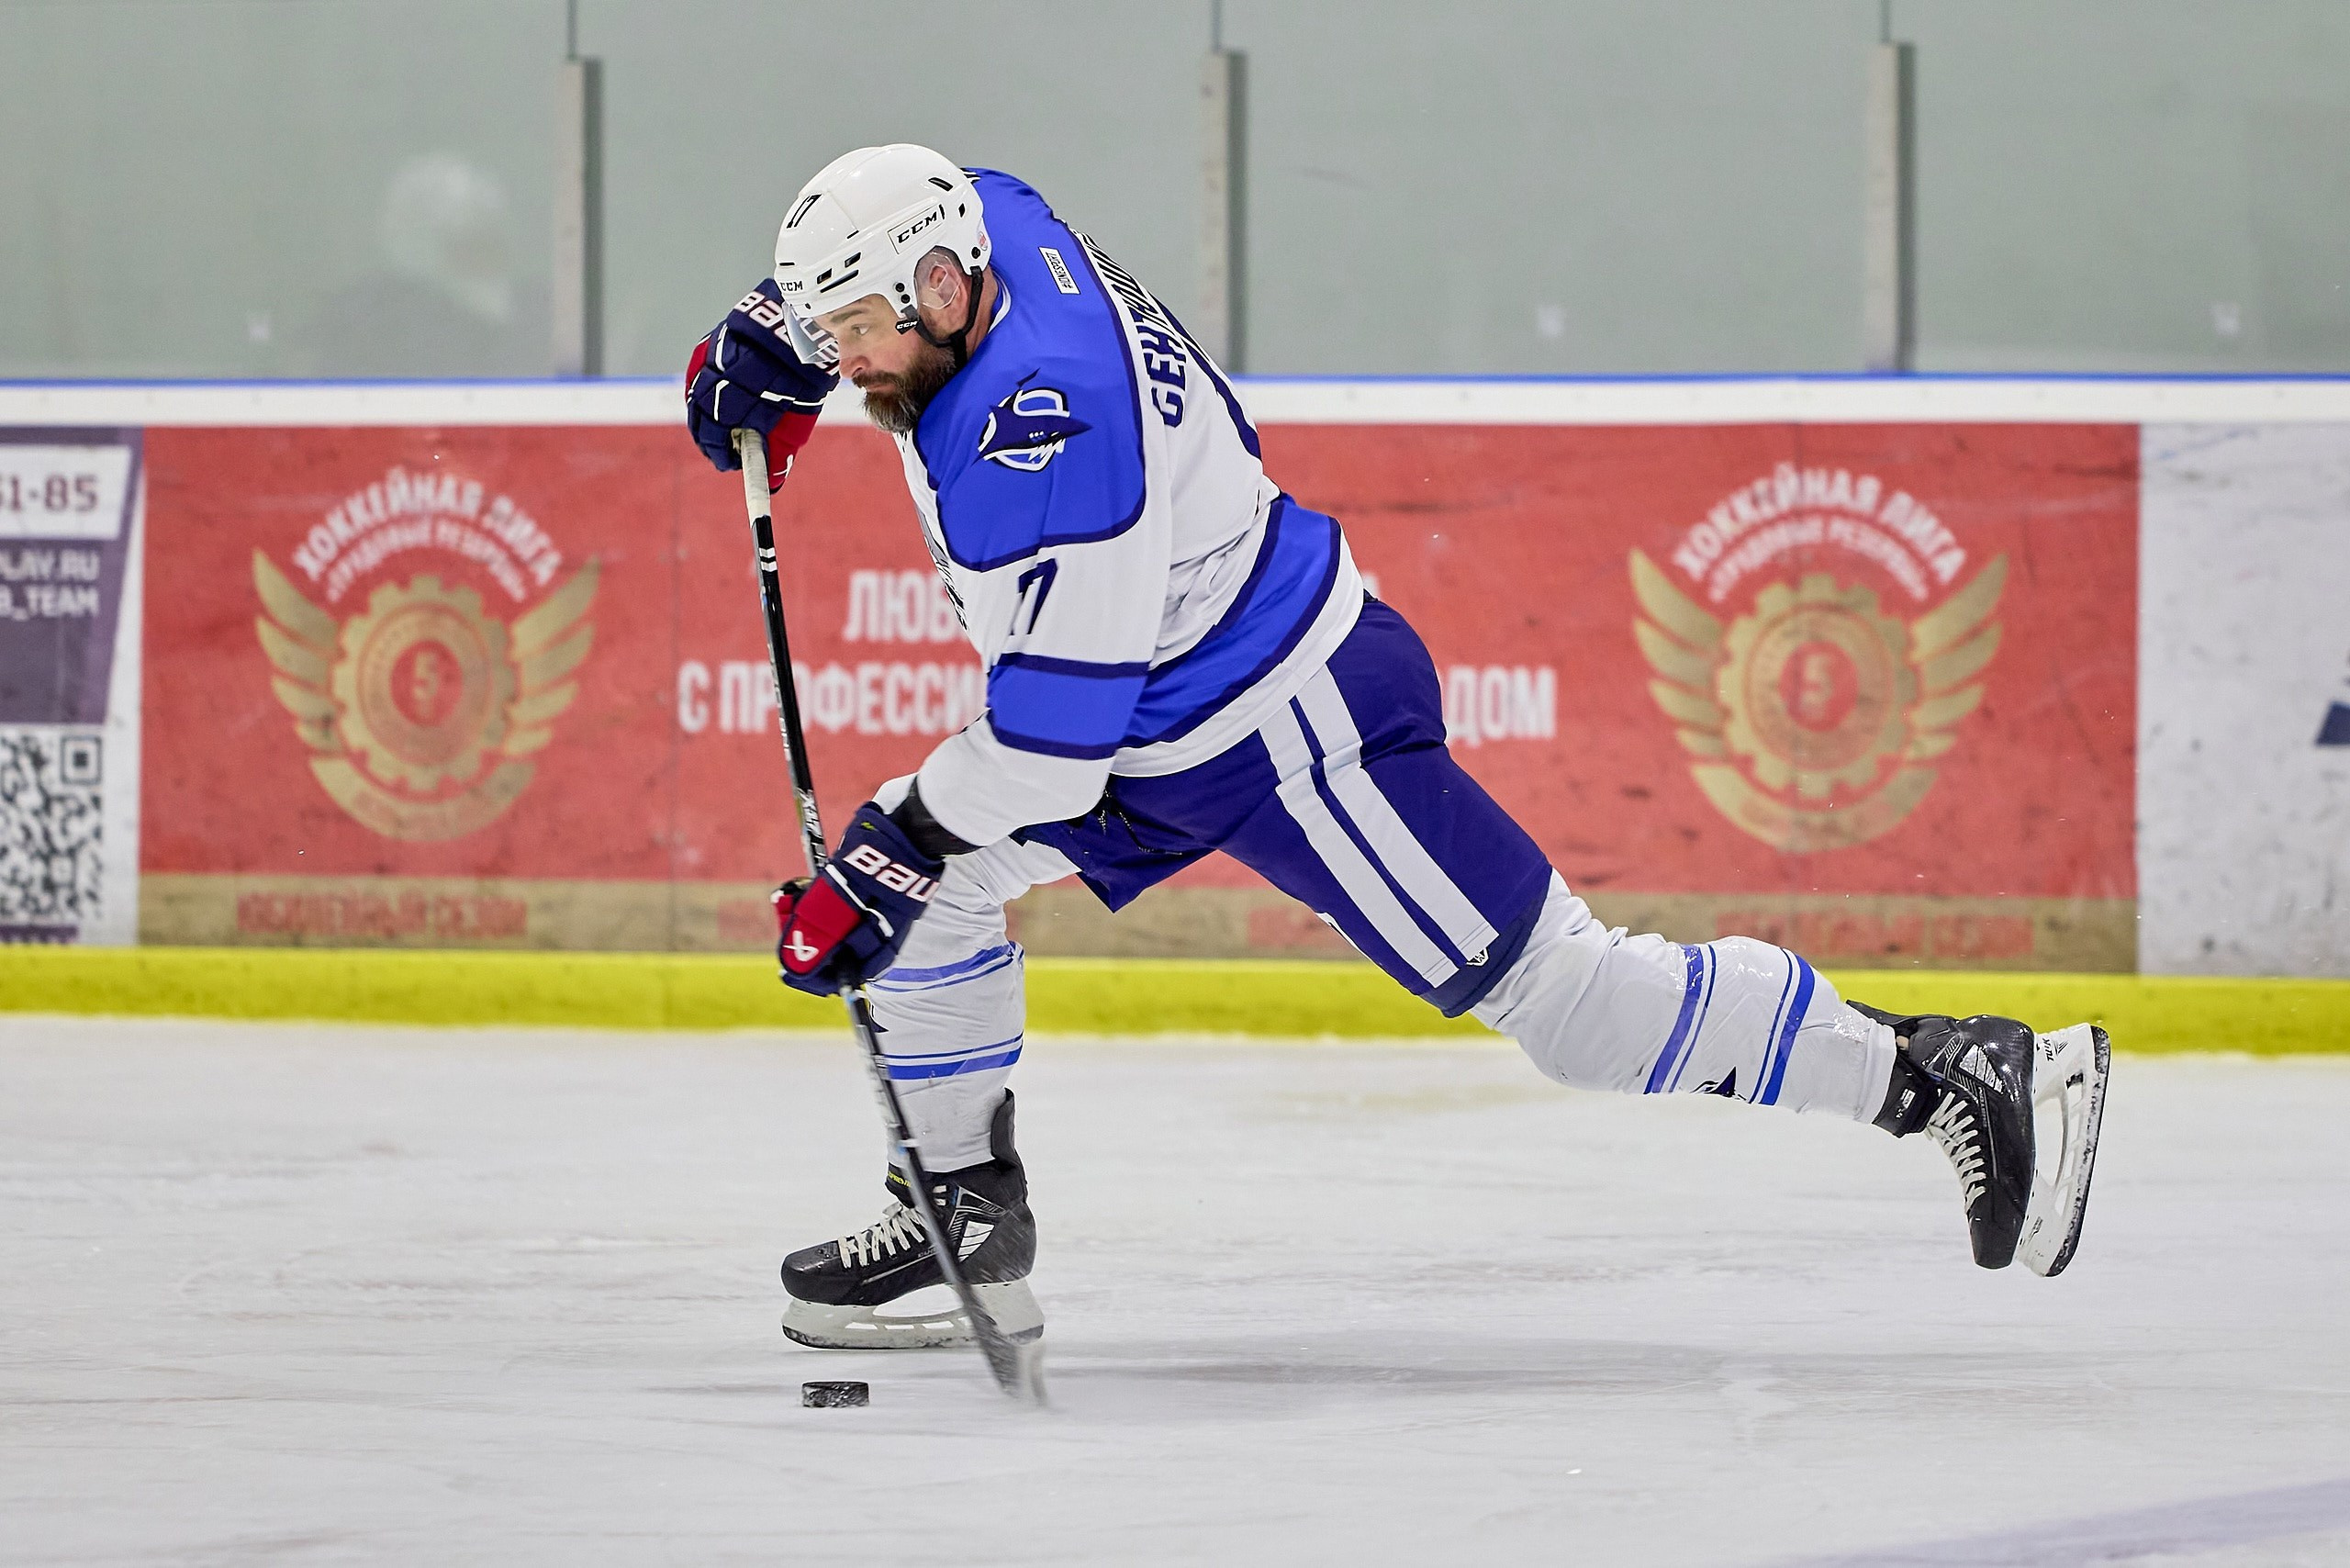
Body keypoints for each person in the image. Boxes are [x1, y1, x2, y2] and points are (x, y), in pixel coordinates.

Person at [680, 145, 2109, 1351]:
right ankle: (964, 1216)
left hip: (1288, 728)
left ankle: (1956, 1075)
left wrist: (895, 846)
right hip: (1176, 711)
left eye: (858, 328)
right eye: (834, 327)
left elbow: (1055, 746)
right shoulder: (990, 220)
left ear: (943, 292)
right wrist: (772, 342)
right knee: (915, 891)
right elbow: (900, 253)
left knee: (1575, 1005)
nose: (846, 355)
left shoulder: (1054, 437)